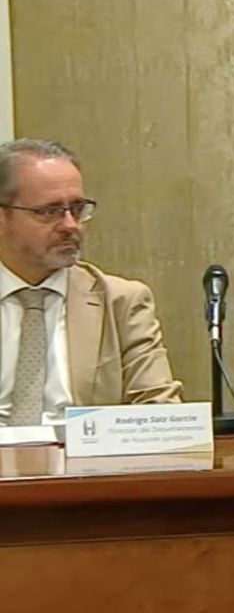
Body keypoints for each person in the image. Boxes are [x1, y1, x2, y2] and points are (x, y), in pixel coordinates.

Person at [0, 139, 182, 426]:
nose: (71, 225)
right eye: (49, 211)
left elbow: (158, 414)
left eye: (77, 208)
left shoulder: (121, 302)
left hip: (84, 465)